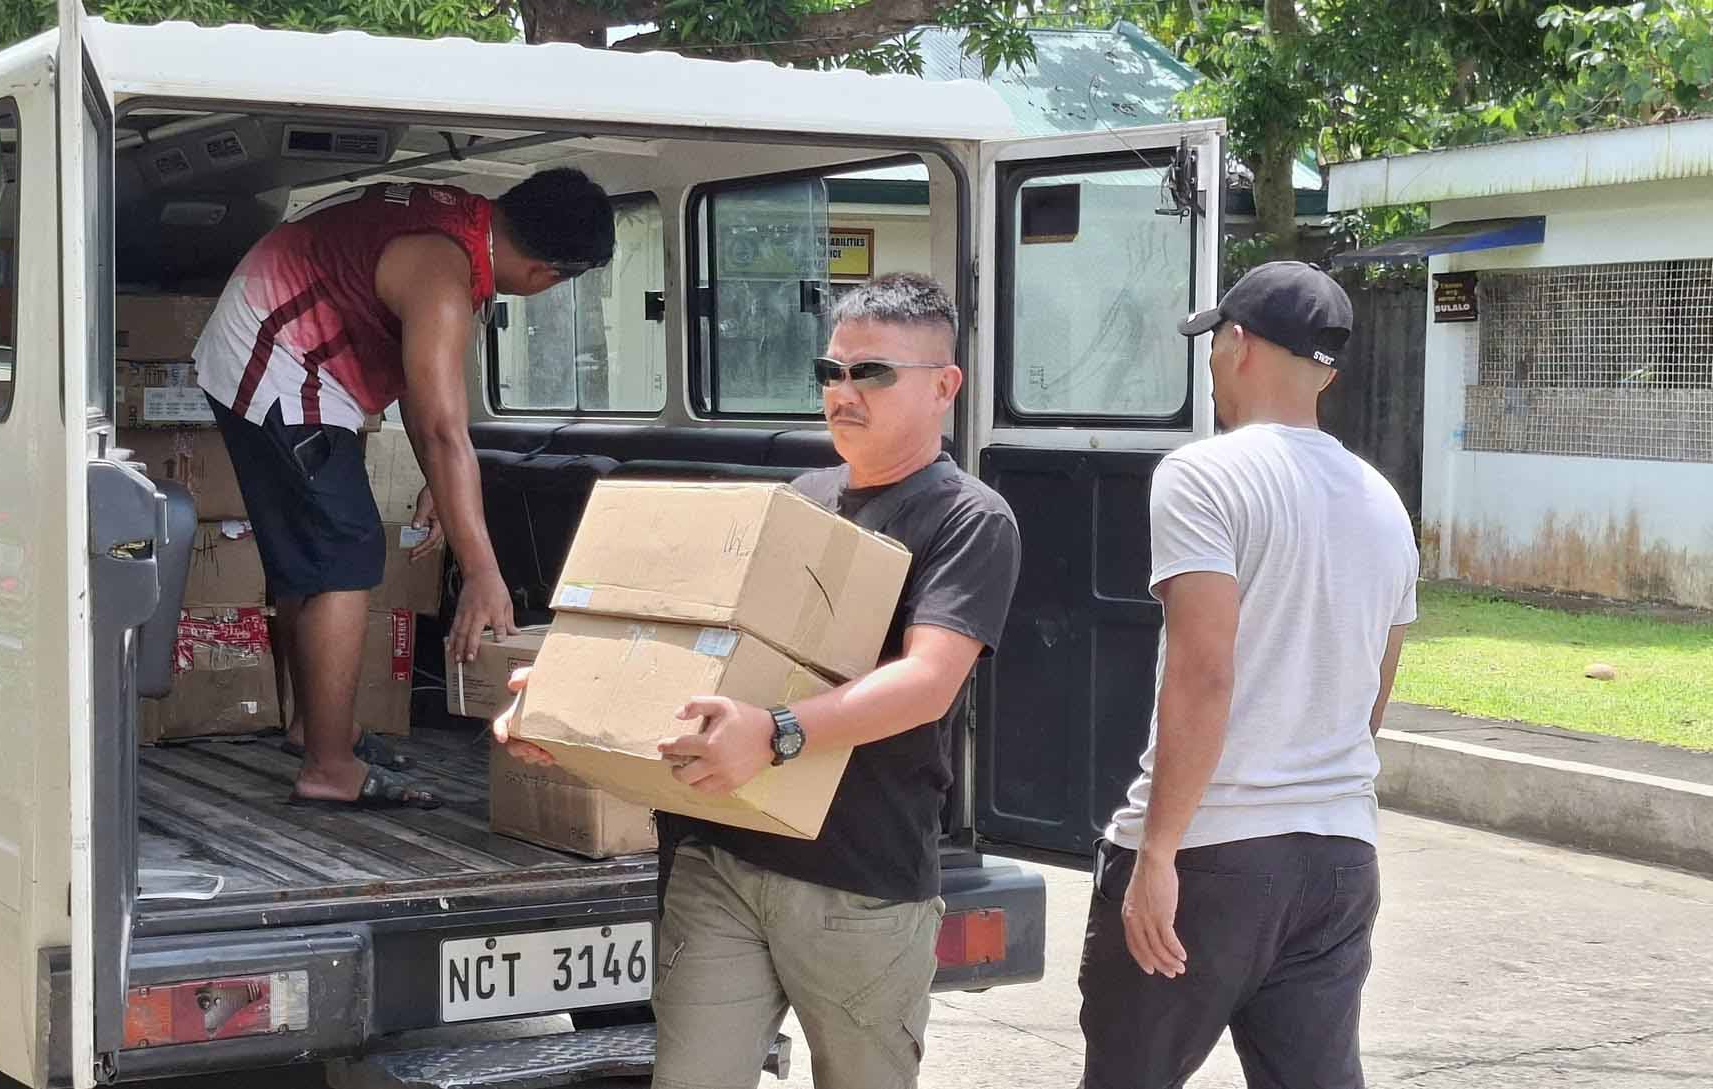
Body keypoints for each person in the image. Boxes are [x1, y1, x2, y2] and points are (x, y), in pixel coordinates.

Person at [500, 272, 1022, 1089]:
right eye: (830, 371)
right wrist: (569, 701)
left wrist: (776, 731)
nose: (843, 392)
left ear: (944, 387)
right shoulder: (799, 498)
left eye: (872, 372)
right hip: (722, 860)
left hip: (858, 882)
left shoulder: (969, 518)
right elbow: (702, 648)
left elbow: (927, 680)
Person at [1076, 261, 1419, 1088]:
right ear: (1326, 371)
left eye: (1214, 344)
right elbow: (1372, 694)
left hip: (1212, 854)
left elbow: (1204, 672)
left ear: (1238, 343)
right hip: (1338, 858)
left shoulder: (1204, 474)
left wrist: (1159, 851)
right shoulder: (1384, 503)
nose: (1211, 363)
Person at [193, 169, 614, 810]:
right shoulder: (444, 274)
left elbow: (425, 393)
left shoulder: (460, 228)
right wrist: (483, 574)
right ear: (547, 276)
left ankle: (317, 729)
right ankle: (329, 767)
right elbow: (445, 430)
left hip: (277, 349)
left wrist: (436, 485)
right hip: (276, 356)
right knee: (343, 553)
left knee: (318, 554)